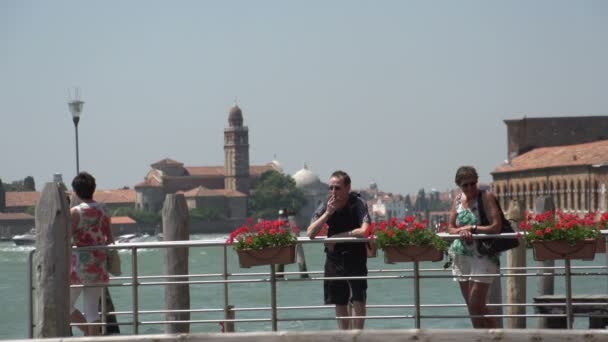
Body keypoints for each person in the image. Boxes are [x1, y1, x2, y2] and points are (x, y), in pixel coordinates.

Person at [307, 170, 371, 330]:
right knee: (339, 300)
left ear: (348, 188)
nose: (333, 192)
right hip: (335, 257)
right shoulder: (325, 204)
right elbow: (310, 233)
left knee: (359, 297)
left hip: (356, 254)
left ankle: (358, 335)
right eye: (331, 188)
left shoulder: (358, 203)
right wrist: (328, 213)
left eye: (337, 188)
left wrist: (337, 236)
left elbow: (364, 230)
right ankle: (344, 335)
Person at [447, 166, 501, 328]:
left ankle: (497, 338)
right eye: (465, 185)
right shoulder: (457, 200)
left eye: (473, 183)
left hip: (484, 255)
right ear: (459, 185)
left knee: (477, 304)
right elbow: (450, 227)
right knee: (473, 308)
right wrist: (460, 231)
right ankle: (480, 337)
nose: (470, 188)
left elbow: (496, 226)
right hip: (462, 256)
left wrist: (473, 229)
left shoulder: (486, 197)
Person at [69, 172, 114, 336]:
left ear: (75, 191)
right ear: (93, 189)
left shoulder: (75, 212)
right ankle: (93, 336)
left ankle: (88, 333)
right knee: (92, 310)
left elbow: (66, 238)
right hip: (99, 263)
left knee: (65, 304)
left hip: (79, 265)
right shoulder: (104, 210)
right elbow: (110, 239)